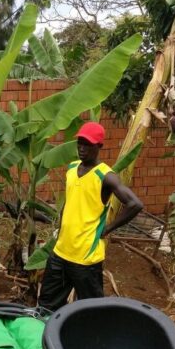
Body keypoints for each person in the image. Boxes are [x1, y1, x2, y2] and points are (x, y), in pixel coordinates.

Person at [39, 121, 143, 308]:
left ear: (99, 146)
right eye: (80, 143)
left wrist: (108, 229)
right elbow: (70, 201)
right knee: (46, 304)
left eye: (87, 144)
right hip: (61, 252)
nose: (82, 148)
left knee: (91, 310)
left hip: (85, 258)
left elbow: (135, 204)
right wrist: (61, 226)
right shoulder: (72, 169)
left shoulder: (106, 176)